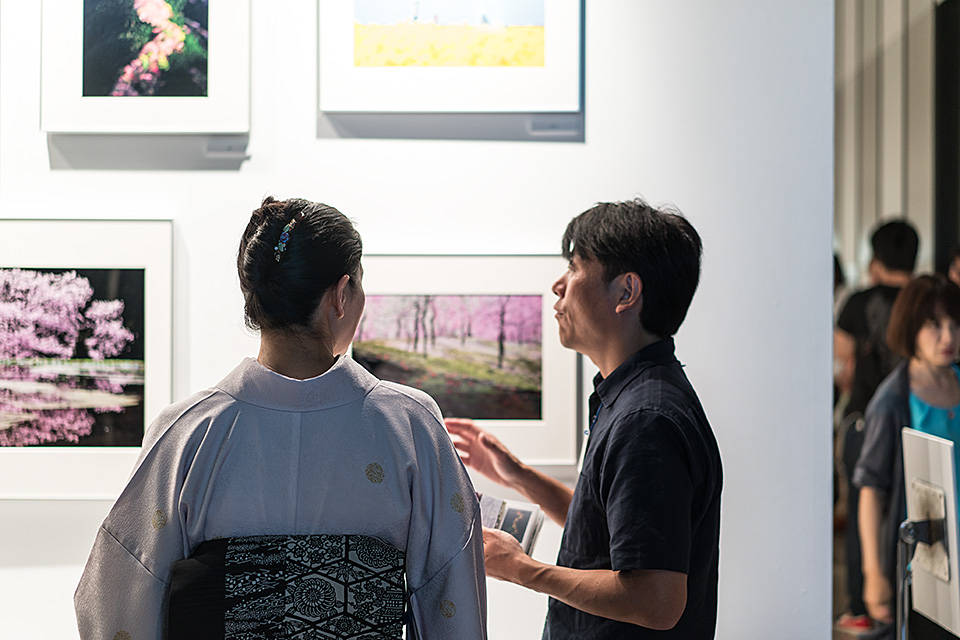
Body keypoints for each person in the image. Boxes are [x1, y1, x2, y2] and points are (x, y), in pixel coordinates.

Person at [74, 197, 487, 639]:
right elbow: (451, 596)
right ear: (342, 294)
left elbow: (117, 594)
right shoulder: (411, 425)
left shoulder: (189, 432)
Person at [446, 198, 722, 638]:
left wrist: (523, 570)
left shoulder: (645, 420)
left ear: (626, 292)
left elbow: (657, 600)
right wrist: (519, 476)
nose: (559, 286)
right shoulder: (634, 397)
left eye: (574, 268)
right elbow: (619, 529)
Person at [854, 274, 960, 638]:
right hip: (925, 568)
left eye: (954, 324)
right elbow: (871, 490)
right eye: (934, 325)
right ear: (911, 327)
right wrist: (874, 574)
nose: (948, 336)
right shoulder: (893, 401)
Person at [834, 219, 918, 633]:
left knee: (862, 514)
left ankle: (861, 607)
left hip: (867, 422)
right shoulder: (924, 302)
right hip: (918, 425)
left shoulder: (861, 301)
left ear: (876, 258)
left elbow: (842, 355)